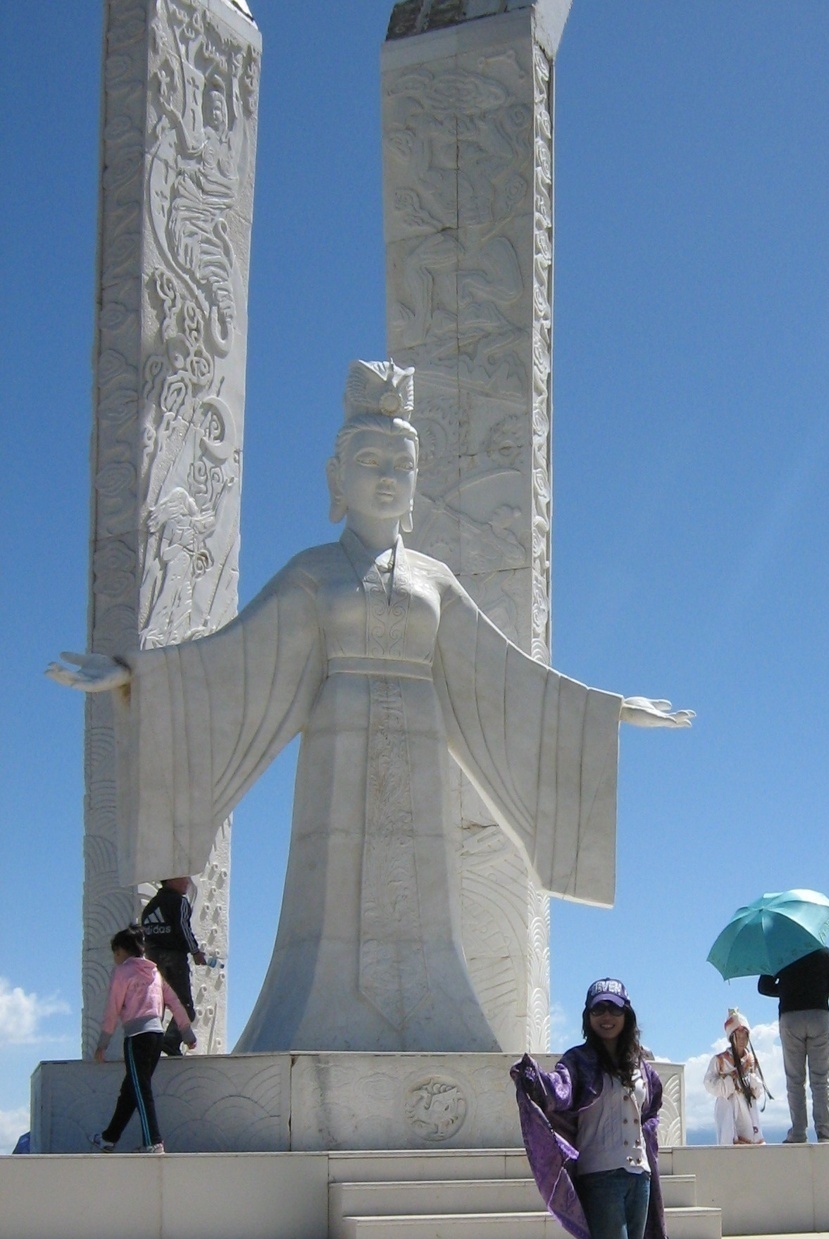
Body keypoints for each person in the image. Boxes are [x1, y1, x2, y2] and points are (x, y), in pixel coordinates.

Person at [48, 360, 691, 1054]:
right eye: (370, 460)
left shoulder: (434, 581)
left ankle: (435, 1016)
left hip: (420, 739)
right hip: (337, 740)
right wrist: (129, 674)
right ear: (336, 477)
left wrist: (606, 711)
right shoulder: (312, 572)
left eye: (403, 464)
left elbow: (506, 675)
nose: (387, 476)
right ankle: (317, 1008)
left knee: (422, 900)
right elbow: (230, 659)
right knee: (332, 897)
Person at [511, 978, 668, 1239]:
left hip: (639, 1179)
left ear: (626, 1014)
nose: (606, 1017)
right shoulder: (577, 1062)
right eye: (598, 1010)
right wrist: (535, 1082)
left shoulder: (642, 1064)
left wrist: (646, 1136)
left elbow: (652, 1107)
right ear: (587, 1016)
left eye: (613, 1009)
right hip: (599, 1180)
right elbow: (559, 1092)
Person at [92, 927, 197, 1153]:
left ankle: (153, 1141)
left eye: (115, 952)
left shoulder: (122, 972)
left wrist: (103, 1042)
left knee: (140, 1089)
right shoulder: (154, 973)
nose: (115, 957)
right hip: (156, 1036)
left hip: (137, 1036)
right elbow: (174, 1002)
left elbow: (113, 1007)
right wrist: (186, 1033)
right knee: (131, 1089)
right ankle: (109, 1138)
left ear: (122, 950)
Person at [757, 946, 829, 1143]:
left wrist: (786, 990)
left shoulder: (780, 953)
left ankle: (798, 1132)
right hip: (819, 1015)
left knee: (795, 1079)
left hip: (790, 1016)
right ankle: (825, 1133)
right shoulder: (824, 952)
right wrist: (818, 990)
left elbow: (763, 986)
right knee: (821, 1078)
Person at [140, 877, 213, 1055]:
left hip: (152, 960)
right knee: (185, 1006)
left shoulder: (151, 907)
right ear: (171, 880)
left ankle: (150, 1044)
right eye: (183, 878)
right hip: (173, 958)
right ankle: (170, 1041)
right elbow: (183, 927)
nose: (187, 882)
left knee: (158, 1005)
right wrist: (195, 951)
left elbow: (146, 935)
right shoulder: (179, 902)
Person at [704, 1007, 766, 1145]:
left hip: (748, 1109)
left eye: (745, 1036)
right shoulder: (720, 1061)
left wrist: (752, 1082)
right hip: (728, 1108)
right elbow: (709, 1083)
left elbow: (758, 1089)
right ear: (732, 1038)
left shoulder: (751, 1061)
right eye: (738, 1037)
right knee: (729, 1145)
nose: (742, 1040)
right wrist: (729, 1082)